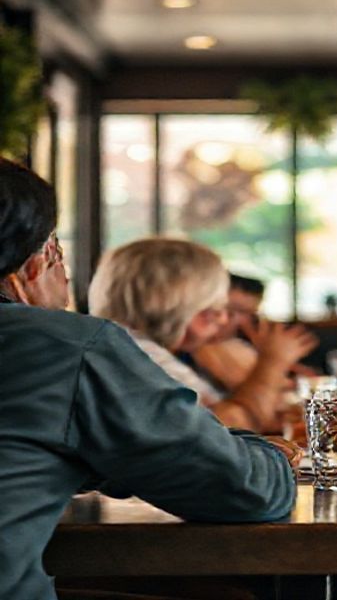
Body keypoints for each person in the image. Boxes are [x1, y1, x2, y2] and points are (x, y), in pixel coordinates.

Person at [0, 158, 299, 600]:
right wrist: (271, 454)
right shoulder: (68, 347)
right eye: (59, 253)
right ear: (35, 264)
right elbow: (246, 490)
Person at [89, 238, 316, 433]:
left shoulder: (128, 346)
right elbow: (224, 433)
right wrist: (273, 361)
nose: (222, 319)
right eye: (212, 306)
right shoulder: (140, 355)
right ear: (174, 300)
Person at [189, 274, 318, 395]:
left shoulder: (237, 345)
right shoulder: (202, 351)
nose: (240, 321)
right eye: (230, 310)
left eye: (249, 314)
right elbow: (254, 394)